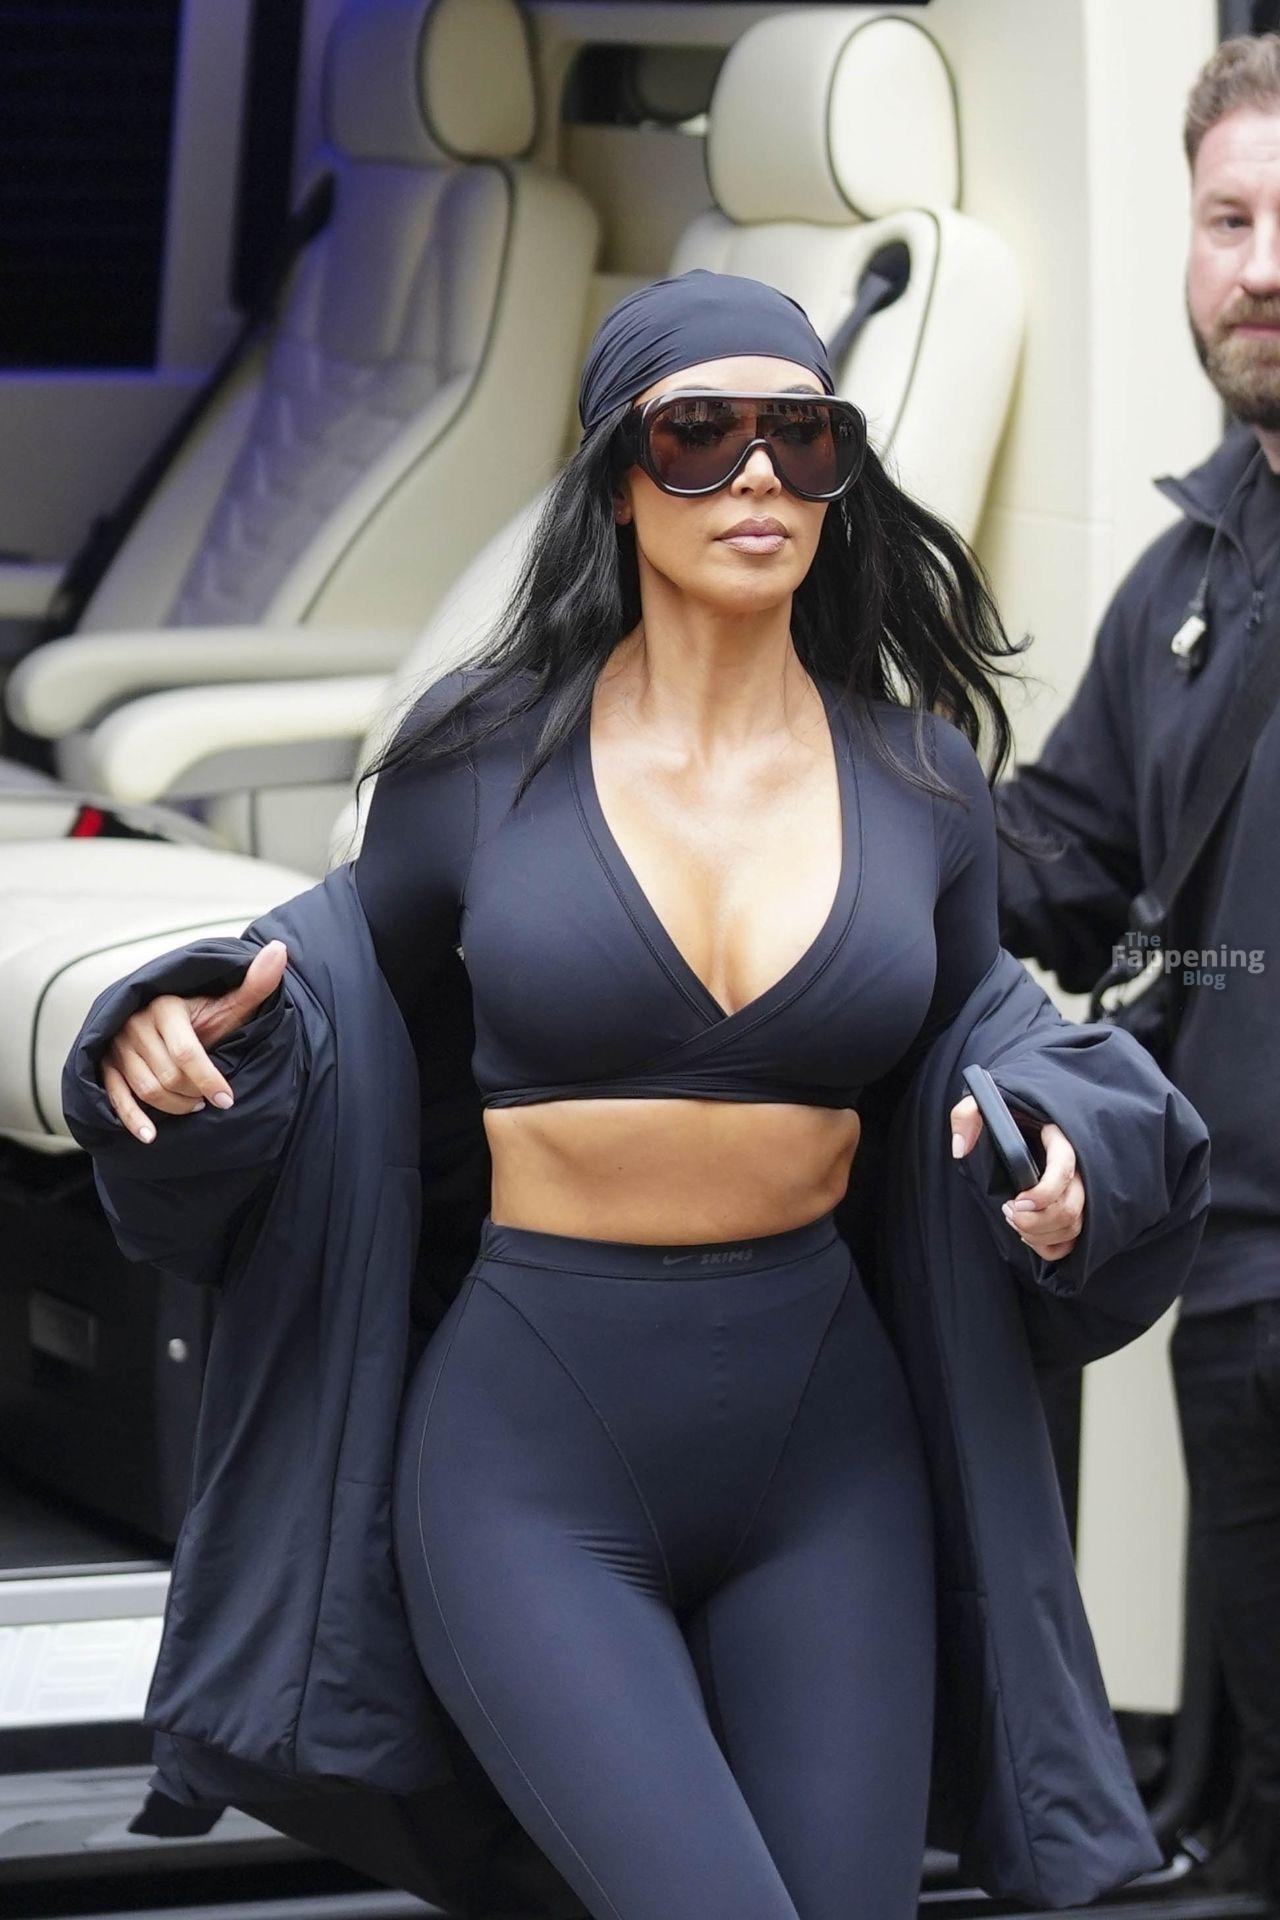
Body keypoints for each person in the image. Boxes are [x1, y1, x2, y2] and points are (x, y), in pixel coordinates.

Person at [74, 270, 1208, 1920]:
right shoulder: (477, 757)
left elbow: (990, 1031)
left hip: (834, 1463)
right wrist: (166, 1027)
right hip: (530, 1463)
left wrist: (1070, 1142)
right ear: (619, 474)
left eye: (801, 439)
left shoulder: (922, 780)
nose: (756, 475)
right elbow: (317, 986)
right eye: (699, 435)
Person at [994, 35, 1280, 1903]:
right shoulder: (1189, 570)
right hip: (1231, 1279)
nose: (1263, 267)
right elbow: (1066, 866)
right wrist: (830, 828)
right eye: (1227, 220)